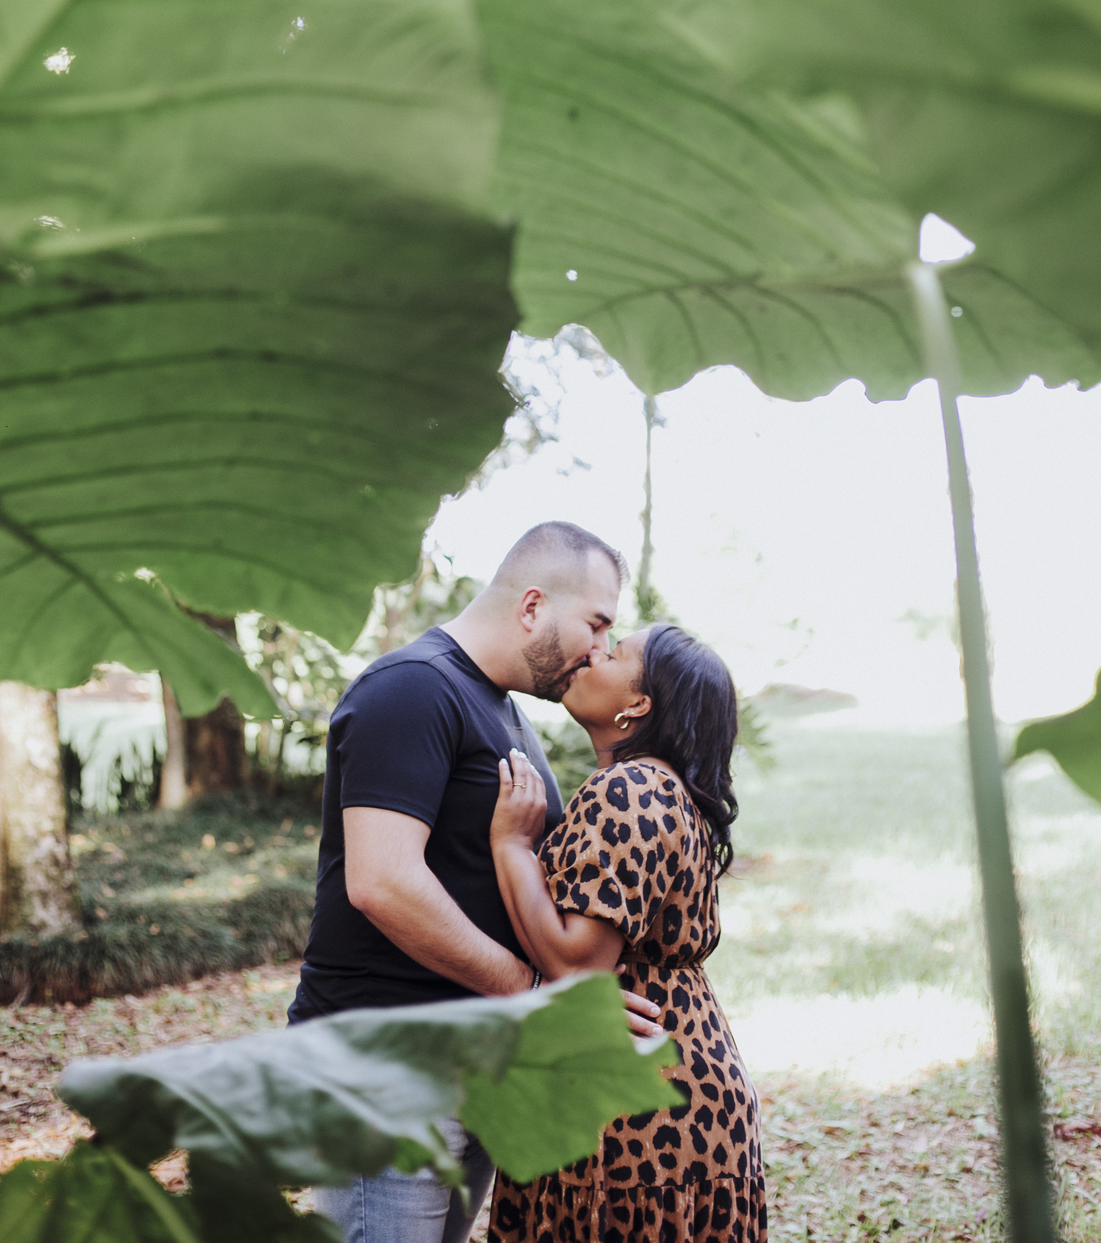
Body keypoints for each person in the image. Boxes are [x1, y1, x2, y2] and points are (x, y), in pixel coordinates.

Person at [288, 521, 665, 1243]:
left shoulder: (505, 712)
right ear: (532, 606)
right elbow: (382, 881)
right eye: (595, 623)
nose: (599, 648)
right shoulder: (410, 689)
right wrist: (536, 993)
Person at [487, 623, 768, 1243]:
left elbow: (577, 964)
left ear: (638, 704)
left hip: (638, 1113)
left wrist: (511, 847)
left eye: (613, 654)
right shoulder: (664, 789)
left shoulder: (631, 789)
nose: (593, 652)